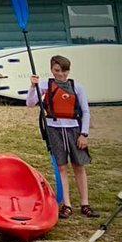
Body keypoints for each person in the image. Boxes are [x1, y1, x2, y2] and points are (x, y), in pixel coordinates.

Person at [27, 55, 96, 219]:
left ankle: (85, 204)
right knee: (62, 167)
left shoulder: (77, 87)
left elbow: (85, 111)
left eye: (64, 71)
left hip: (74, 130)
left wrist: (84, 134)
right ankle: (67, 205)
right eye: (57, 71)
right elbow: (30, 103)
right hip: (54, 129)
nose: (61, 75)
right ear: (52, 69)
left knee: (79, 166)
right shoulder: (44, 85)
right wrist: (32, 86)